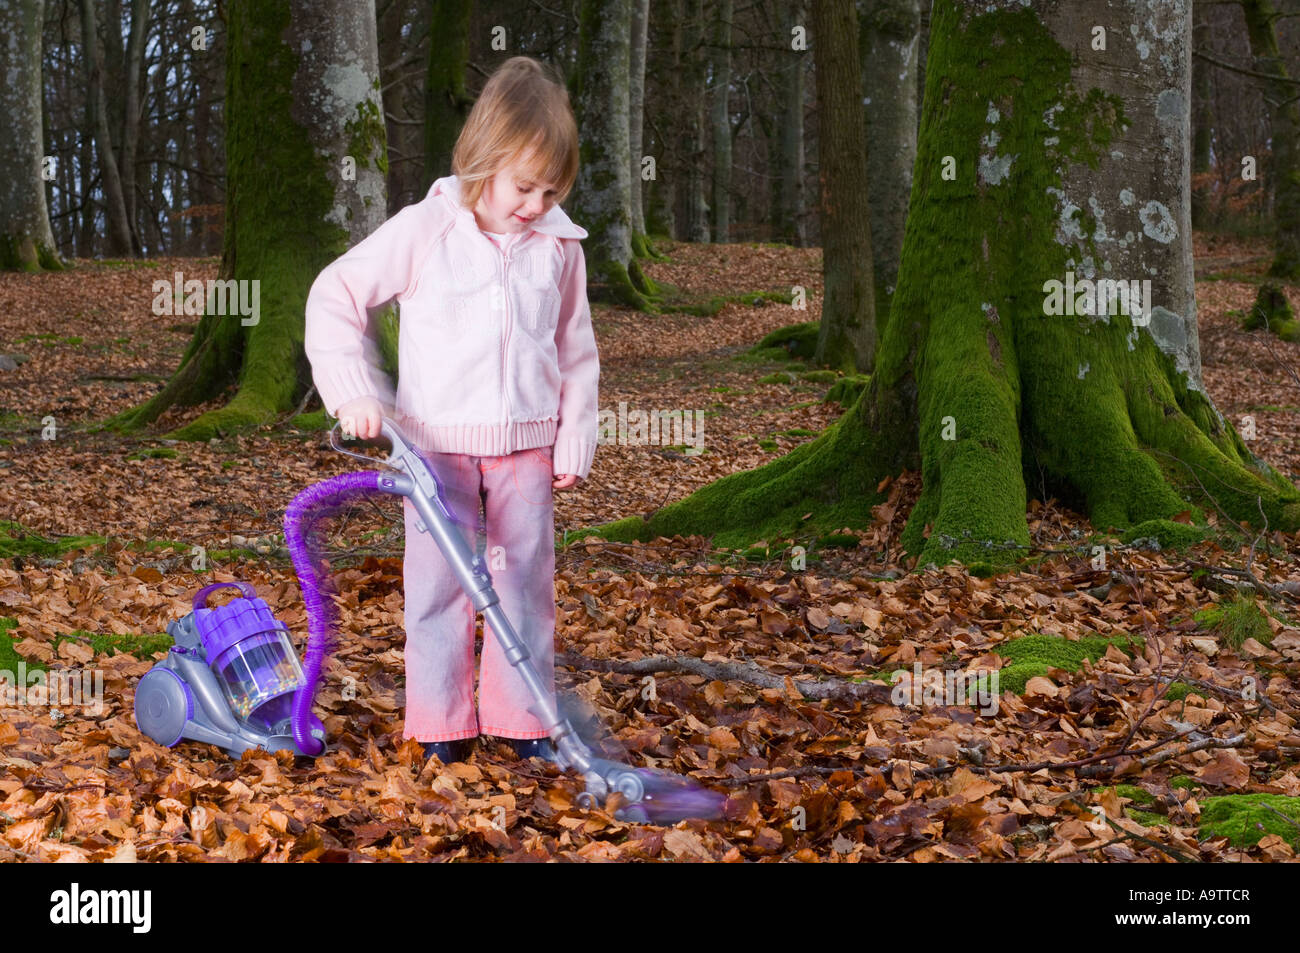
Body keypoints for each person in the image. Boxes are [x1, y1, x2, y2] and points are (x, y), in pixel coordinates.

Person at [303, 56, 599, 765]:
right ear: (484, 159)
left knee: (523, 585)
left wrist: (574, 436)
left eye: (551, 189)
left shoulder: (559, 246)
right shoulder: (425, 228)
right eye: (524, 186)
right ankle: (441, 725)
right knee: (438, 589)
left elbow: (576, 346)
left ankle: (521, 720)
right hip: (432, 449)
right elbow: (334, 295)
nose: (534, 204)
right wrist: (356, 393)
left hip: (527, 446)